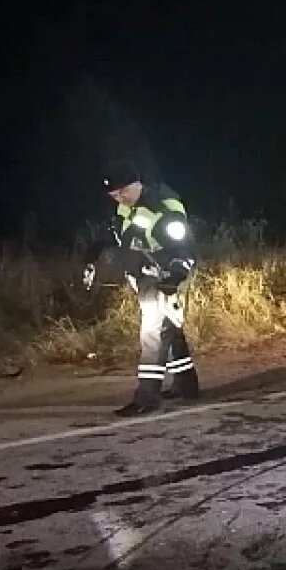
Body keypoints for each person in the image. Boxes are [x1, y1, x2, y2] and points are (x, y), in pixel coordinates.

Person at [83, 161, 200, 416]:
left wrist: (173, 279)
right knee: (171, 328)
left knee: (153, 334)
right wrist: (95, 252)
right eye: (114, 195)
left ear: (136, 184)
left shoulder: (162, 209)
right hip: (147, 278)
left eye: (122, 192)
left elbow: (184, 249)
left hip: (164, 278)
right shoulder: (129, 207)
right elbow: (123, 237)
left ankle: (146, 398)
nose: (119, 199)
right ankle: (187, 385)